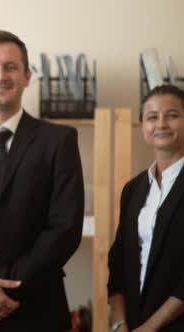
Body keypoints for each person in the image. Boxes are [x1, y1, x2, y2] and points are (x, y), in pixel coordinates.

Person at [0, 30, 84, 331]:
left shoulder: (59, 140)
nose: (0, 76)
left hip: (39, 307)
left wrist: (8, 289)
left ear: (27, 76)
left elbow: (65, 227)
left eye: (10, 67)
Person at [108, 84, 184, 332]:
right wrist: (119, 324)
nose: (161, 124)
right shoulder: (133, 189)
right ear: (143, 126)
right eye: (152, 117)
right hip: (132, 322)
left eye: (172, 115)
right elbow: (118, 262)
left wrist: (150, 328)